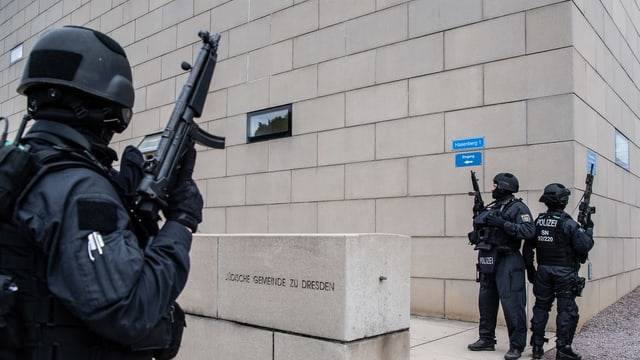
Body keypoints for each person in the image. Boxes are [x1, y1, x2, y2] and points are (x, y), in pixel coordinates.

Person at [2, 26, 203, 359]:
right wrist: (181, 221)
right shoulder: (80, 186)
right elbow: (130, 309)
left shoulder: (24, 168)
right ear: (106, 103)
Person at [467, 173, 535, 360]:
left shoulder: (518, 208)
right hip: (489, 258)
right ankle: (486, 338)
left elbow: (529, 231)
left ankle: (516, 345)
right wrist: (478, 214)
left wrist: (503, 224)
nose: (492, 188)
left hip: (508, 259)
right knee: (486, 301)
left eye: (495, 185)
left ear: (504, 187)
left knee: (513, 303)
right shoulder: (491, 207)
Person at [523, 183, 594, 360]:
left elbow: (527, 249)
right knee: (567, 311)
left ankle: (537, 346)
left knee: (541, 307)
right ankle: (563, 348)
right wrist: (589, 229)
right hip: (564, 273)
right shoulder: (568, 223)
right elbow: (585, 245)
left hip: (543, 271)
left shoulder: (538, 222)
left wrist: (531, 270)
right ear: (563, 201)